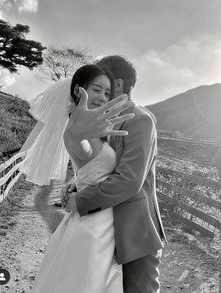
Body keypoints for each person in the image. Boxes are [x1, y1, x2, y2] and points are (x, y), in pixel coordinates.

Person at [62, 55, 168, 293]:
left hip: (135, 233)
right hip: (106, 230)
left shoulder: (140, 120)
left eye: (106, 83)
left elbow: (129, 180)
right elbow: (104, 166)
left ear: (118, 84)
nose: (101, 92)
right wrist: (76, 184)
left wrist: (82, 201)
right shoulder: (105, 121)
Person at [26, 64, 135, 293]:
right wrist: (78, 135)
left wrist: (76, 182)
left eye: (107, 92)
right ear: (78, 91)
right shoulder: (75, 132)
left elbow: (91, 168)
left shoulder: (90, 130)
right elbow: (82, 149)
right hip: (94, 226)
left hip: (102, 219)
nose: (102, 97)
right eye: (96, 89)